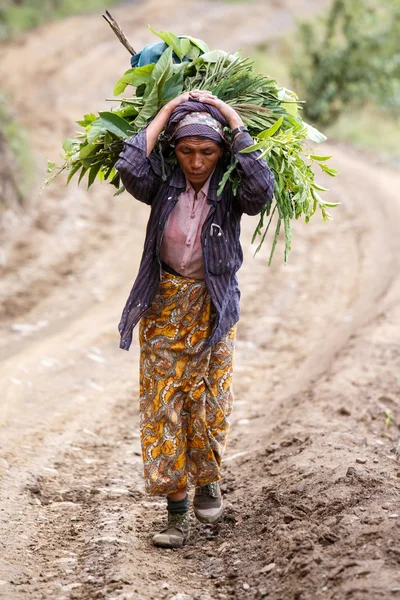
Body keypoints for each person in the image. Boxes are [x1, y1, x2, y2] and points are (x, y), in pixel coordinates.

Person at [115, 90, 274, 548]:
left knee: (208, 400)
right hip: (164, 302)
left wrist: (229, 116)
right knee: (163, 403)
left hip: (213, 307)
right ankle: (176, 512)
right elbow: (130, 166)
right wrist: (167, 112)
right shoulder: (162, 184)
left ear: (221, 152)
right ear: (174, 150)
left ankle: (208, 483)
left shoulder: (230, 190)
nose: (197, 162)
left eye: (207, 151)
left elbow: (261, 188)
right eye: (186, 151)